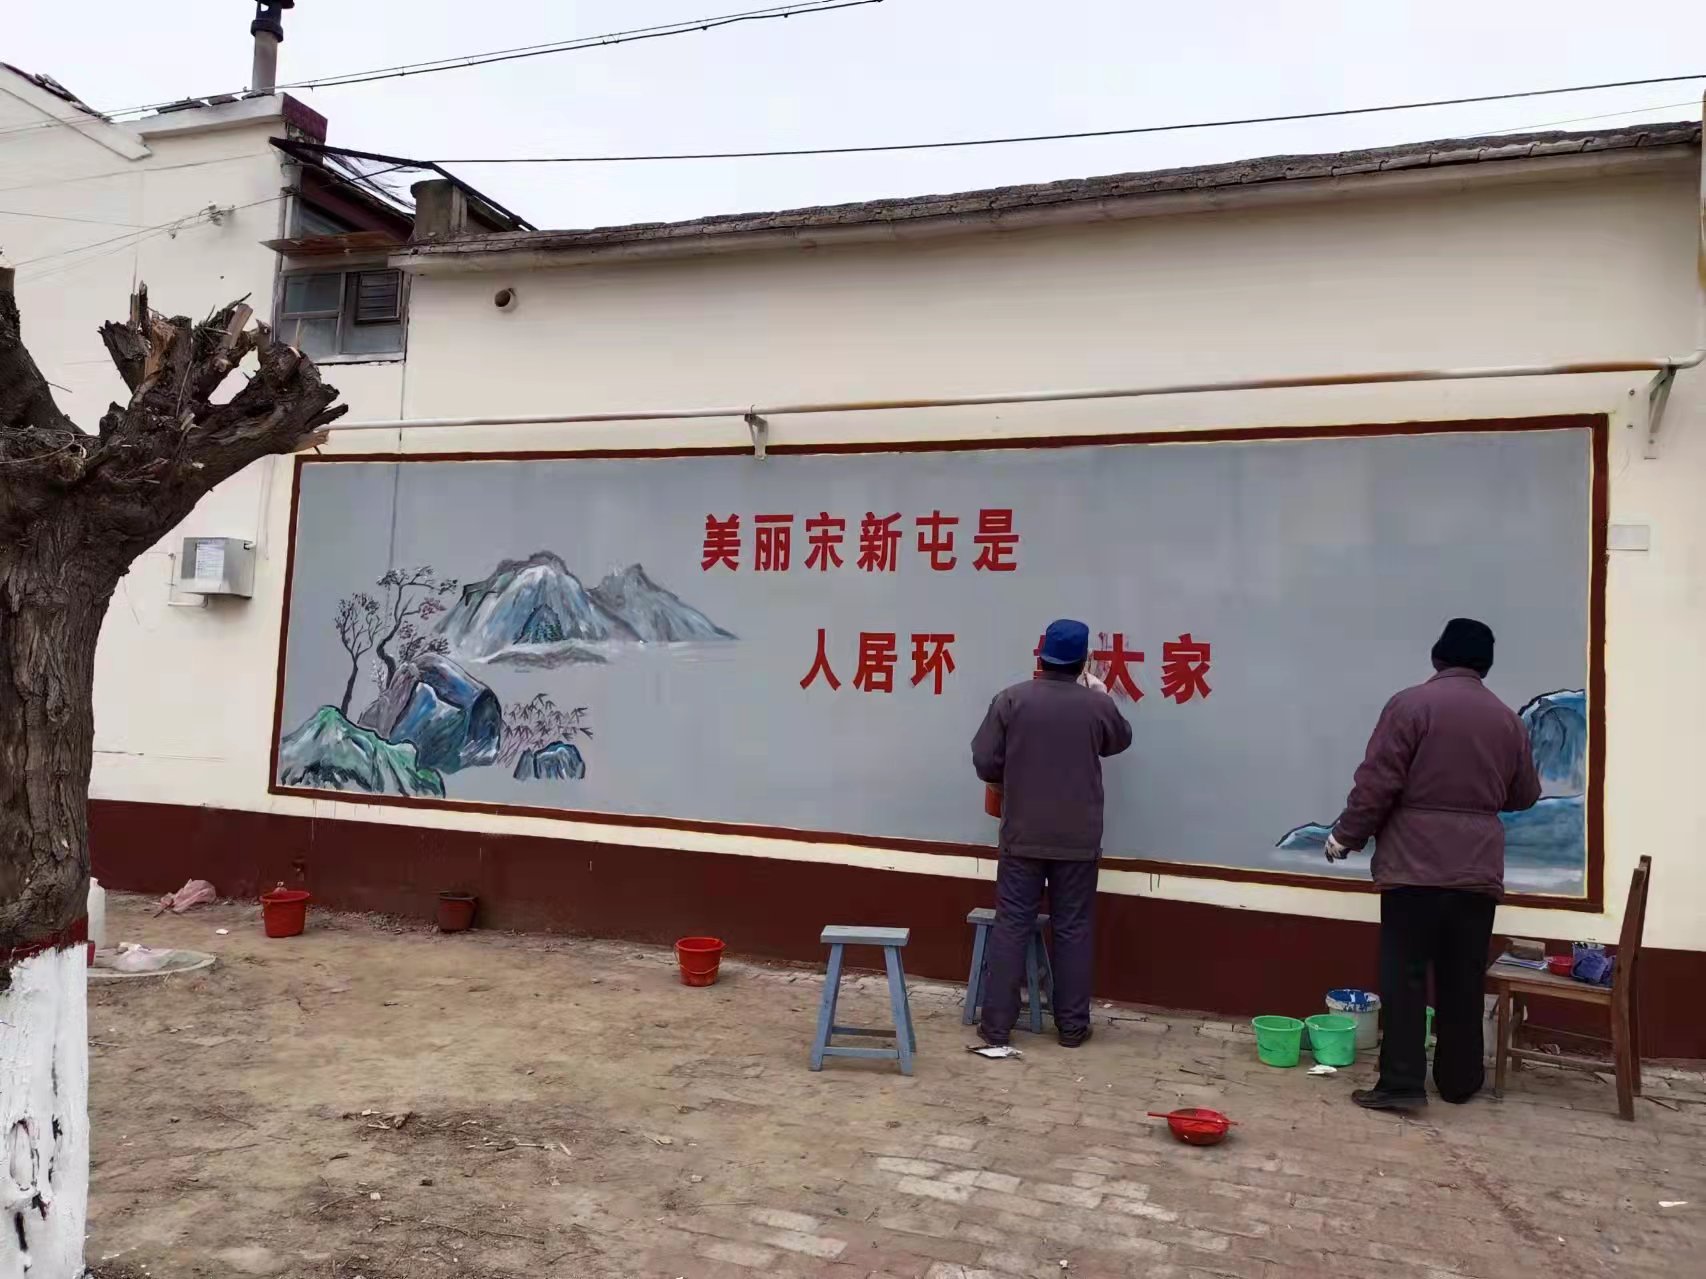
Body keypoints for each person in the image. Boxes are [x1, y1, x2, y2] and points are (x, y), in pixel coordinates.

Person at [1323, 617, 1541, 1111]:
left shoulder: (1410, 705)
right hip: (1477, 869)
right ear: (1485, 664)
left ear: (1438, 656)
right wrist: (1479, 796)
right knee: (1464, 976)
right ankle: (1460, 1082)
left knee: (1406, 976)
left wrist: (1345, 836)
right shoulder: (1507, 721)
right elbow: (1525, 794)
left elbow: (1377, 784)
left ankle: (1401, 1084)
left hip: (1413, 867)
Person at [971, 618, 1133, 1048]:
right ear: (1083, 662)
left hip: (1022, 834)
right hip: (1078, 840)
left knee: (1012, 925)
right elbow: (1119, 740)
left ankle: (996, 1027)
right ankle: (1073, 1028)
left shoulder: (1011, 700)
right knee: (1073, 927)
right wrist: (1100, 695)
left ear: (1041, 656)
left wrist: (1011, 779)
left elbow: (985, 760)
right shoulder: (1095, 705)